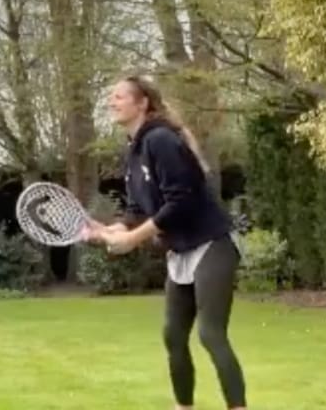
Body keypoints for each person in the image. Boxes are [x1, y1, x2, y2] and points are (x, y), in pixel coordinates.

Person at [84, 74, 247, 410]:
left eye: (119, 96)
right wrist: (111, 230)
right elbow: (137, 210)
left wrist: (133, 238)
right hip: (180, 251)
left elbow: (181, 200)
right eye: (110, 97)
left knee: (210, 333)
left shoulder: (160, 139)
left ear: (142, 103)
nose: (111, 102)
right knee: (173, 336)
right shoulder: (134, 151)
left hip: (211, 243)